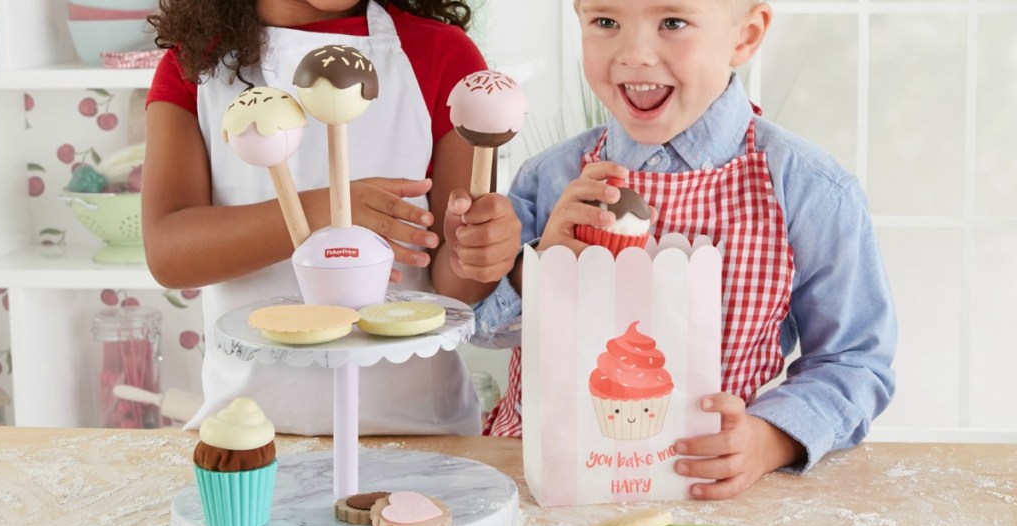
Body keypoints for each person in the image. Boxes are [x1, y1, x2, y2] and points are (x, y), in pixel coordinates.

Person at [475, 0, 897, 499]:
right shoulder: (549, 178)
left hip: (704, 485)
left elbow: (854, 360)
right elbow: (485, 331)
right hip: (539, 480)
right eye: (605, 22)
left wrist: (770, 439)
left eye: (673, 23)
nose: (634, 54)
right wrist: (543, 262)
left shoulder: (810, 190)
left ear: (745, 36)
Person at [142, 0, 520, 436]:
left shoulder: (442, 54)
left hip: (419, 432)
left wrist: (477, 251)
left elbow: (459, 289)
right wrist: (325, 210)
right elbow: (169, 252)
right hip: (250, 433)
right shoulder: (192, 65)